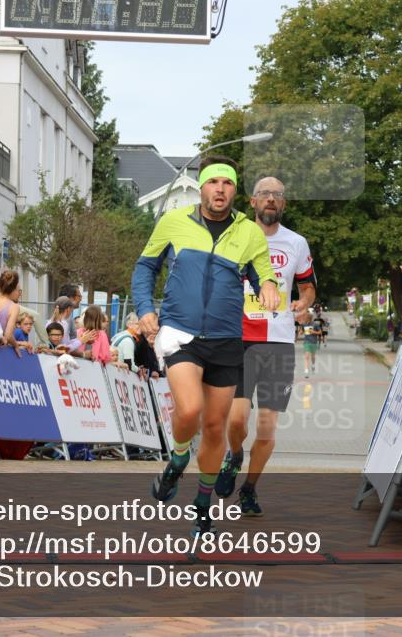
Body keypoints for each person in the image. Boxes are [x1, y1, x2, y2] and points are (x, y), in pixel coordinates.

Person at [132, 155, 279, 536]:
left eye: (227, 183)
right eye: (213, 182)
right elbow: (145, 267)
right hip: (181, 334)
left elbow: (263, 270)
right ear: (202, 187)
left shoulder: (249, 233)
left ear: (234, 190)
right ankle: (178, 458)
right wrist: (146, 308)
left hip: (227, 339)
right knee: (191, 409)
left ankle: (202, 504)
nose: (220, 189)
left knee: (215, 427)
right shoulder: (173, 222)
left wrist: (267, 285)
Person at [215, 176, 316, 516]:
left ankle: (250, 488)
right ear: (253, 202)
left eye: (277, 195)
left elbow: (308, 287)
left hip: (279, 341)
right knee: (237, 421)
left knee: (268, 424)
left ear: (283, 204)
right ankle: (234, 454)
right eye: (264, 194)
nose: (270, 199)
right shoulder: (235, 237)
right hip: (240, 338)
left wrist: (304, 304)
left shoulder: (296, 243)